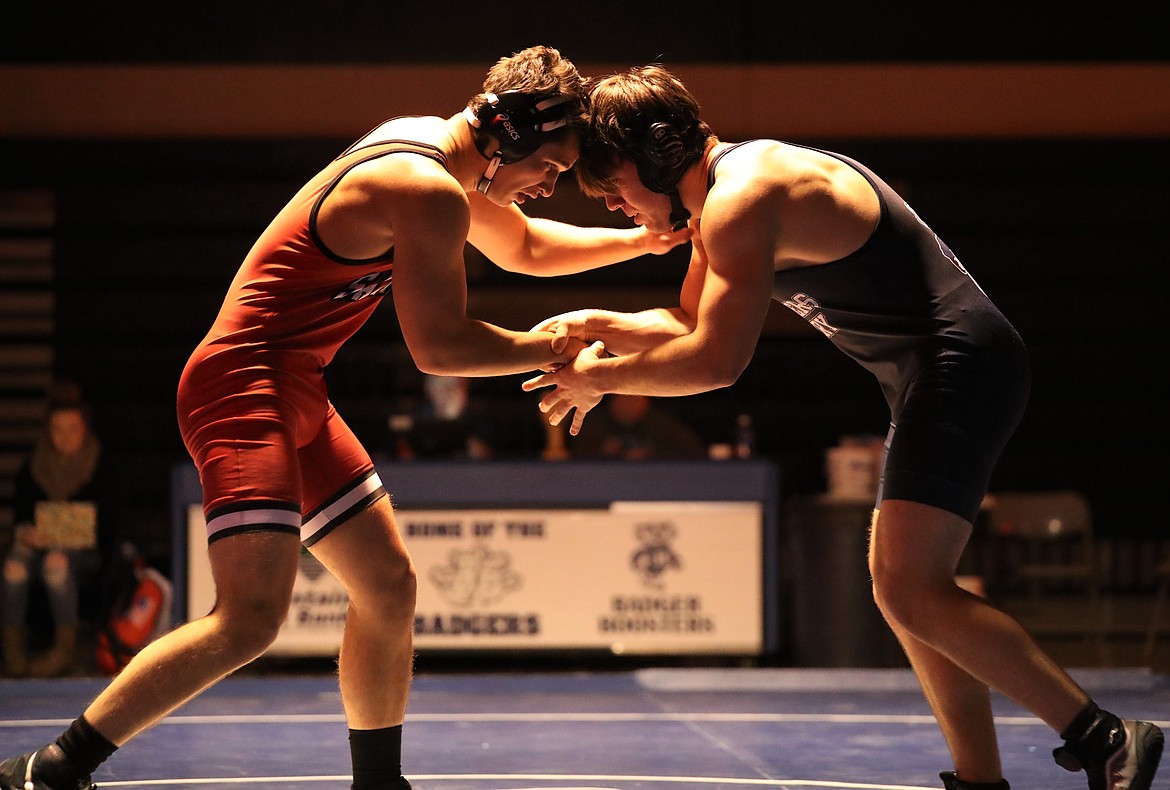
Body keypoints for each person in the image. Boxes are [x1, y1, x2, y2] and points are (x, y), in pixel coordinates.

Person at [0, 46, 688, 790]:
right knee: (249, 619)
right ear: (509, 136)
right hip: (242, 387)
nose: (549, 189)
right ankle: (55, 767)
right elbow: (439, 347)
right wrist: (554, 345)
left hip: (293, 387)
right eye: (549, 169)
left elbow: (520, 249)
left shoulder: (434, 152)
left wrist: (640, 240)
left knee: (388, 586)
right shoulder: (425, 189)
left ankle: (379, 783)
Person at [522, 65, 1163, 790]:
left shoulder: (744, 197)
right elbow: (687, 322)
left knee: (907, 588)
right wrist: (597, 324)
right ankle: (984, 778)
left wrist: (599, 378)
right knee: (908, 590)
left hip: (960, 367)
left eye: (615, 190)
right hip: (935, 374)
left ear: (660, 157)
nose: (617, 209)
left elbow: (717, 361)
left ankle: (1105, 737)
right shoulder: (719, 202)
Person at [2, 381, 115, 679]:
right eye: (57, 429)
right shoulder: (34, 466)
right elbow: (22, 516)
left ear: (85, 429)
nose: (65, 438)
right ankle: (12, 653)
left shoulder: (99, 464)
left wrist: (54, 530)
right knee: (13, 568)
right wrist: (26, 532)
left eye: (72, 429)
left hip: (83, 553)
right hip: (35, 546)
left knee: (56, 564)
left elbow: (103, 522)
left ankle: (65, 651)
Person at [568, 393, 705, 459]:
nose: (629, 403)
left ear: (646, 401)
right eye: (623, 398)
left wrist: (652, 453)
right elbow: (576, 453)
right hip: (604, 482)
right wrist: (604, 450)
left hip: (655, 483)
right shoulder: (595, 422)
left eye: (634, 398)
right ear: (613, 401)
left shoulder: (660, 423)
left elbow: (692, 449)